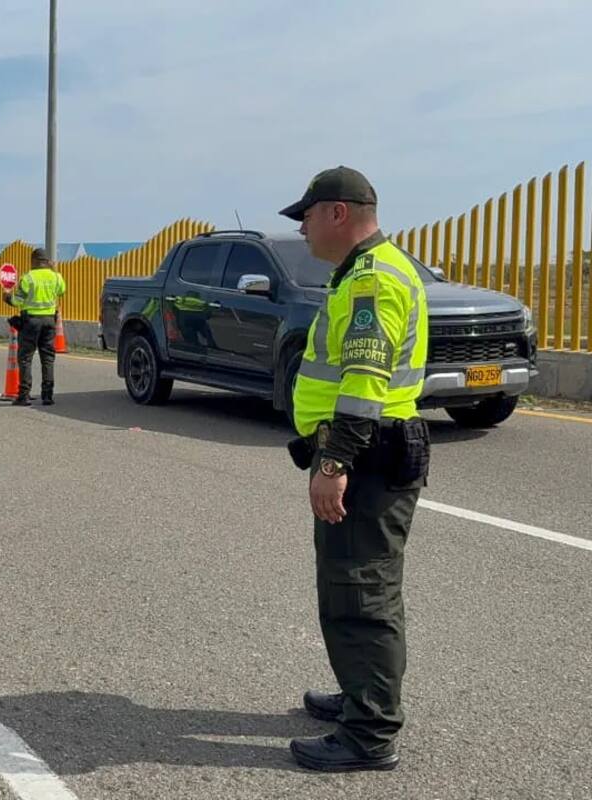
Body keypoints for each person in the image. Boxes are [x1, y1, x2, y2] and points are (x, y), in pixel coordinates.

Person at [279, 166, 430, 772]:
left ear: (337, 213)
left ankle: (370, 733)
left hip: (366, 457)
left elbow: (365, 381)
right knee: (351, 587)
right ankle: (358, 694)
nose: (303, 229)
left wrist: (334, 460)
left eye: (307, 216)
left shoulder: (371, 279)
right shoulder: (364, 272)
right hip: (368, 452)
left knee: (363, 594)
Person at [2, 247, 66, 406]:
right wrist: (53, 270)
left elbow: (17, 301)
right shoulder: (56, 277)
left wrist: (7, 296)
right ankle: (47, 396)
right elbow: (62, 290)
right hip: (49, 321)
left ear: (34, 261)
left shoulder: (28, 278)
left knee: (25, 358)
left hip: (31, 322)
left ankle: (24, 396)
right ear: (47, 261)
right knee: (48, 358)